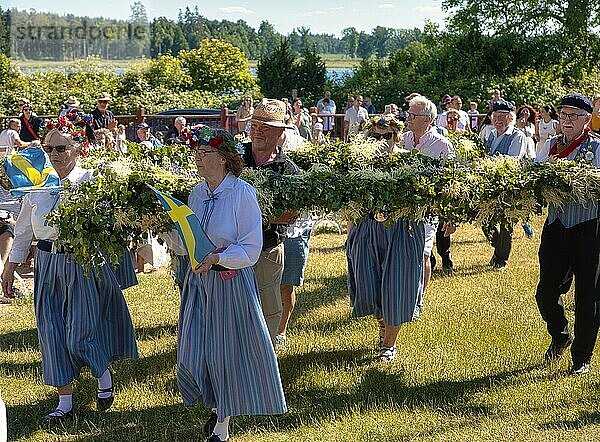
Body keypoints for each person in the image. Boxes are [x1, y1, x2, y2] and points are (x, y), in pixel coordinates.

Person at [1, 113, 138, 421]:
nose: (54, 155)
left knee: (80, 331)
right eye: (49, 149)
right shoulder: (38, 183)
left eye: (61, 149)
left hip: (82, 261)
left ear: (78, 149)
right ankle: (64, 402)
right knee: (50, 329)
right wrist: (9, 267)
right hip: (47, 262)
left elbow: (115, 224)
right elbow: (24, 229)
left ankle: (102, 372)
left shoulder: (93, 181)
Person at [163, 126, 287, 442]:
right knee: (191, 350)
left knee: (225, 353)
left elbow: (250, 247)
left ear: (223, 158)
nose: (197, 158)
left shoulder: (241, 193)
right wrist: (163, 232)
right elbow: (191, 241)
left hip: (230, 283)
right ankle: (215, 401)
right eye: (197, 152)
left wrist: (218, 259)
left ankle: (223, 422)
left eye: (204, 153)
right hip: (198, 283)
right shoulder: (197, 193)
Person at [346, 113, 424, 362]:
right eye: (375, 136)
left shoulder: (409, 163)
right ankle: (382, 323)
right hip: (367, 228)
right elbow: (351, 201)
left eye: (387, 136)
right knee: (368, 286)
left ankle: (389, 344)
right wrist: (350, 234)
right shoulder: (361, 164)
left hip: (402, 230)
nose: (381, 141)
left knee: (397, 285)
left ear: (397, 136)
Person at [534, 93, 600, 376]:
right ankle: (560, 335)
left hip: (589, 227)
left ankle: (581, 357)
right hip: (556, 226)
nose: (567, 120)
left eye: (574, 115)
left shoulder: (596, 147)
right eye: (563, 115)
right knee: (546, 292)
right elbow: (533, 179)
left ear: (587, 119)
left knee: (588, 296)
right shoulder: (549, 145)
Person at [245, 99, 301, 342]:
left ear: (280, 132)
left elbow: (291, 214)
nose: (257, 130)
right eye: (254, 125)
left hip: (268, 247)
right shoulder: (232, 160)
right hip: (227, 248)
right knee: (232, 305)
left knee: (268, 307)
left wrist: (246, 214)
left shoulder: (288, 170)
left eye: (265, 126)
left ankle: (264, 358)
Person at [401, 95, 456, 292]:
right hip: (402, 207)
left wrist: (451, 217)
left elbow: (451, 182)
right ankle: (405, 291)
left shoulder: (442, 145)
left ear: (427, 119)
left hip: (428, 208)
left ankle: (419, 299)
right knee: (405, 253)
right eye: (408, 114)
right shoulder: (402, 139)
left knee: (424, 253)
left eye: (412, 115)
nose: (408, 118)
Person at [483, 99, 528, 270]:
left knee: (506, 223)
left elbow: (512, 161)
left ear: (511, 118)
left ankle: (501, 259)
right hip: (490, 185)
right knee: (485, 221)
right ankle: (498, 249)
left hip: (511, 187)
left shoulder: (517, 136)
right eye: (495, 116)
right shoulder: (491, 134)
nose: (498, 120)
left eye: (503, 116)